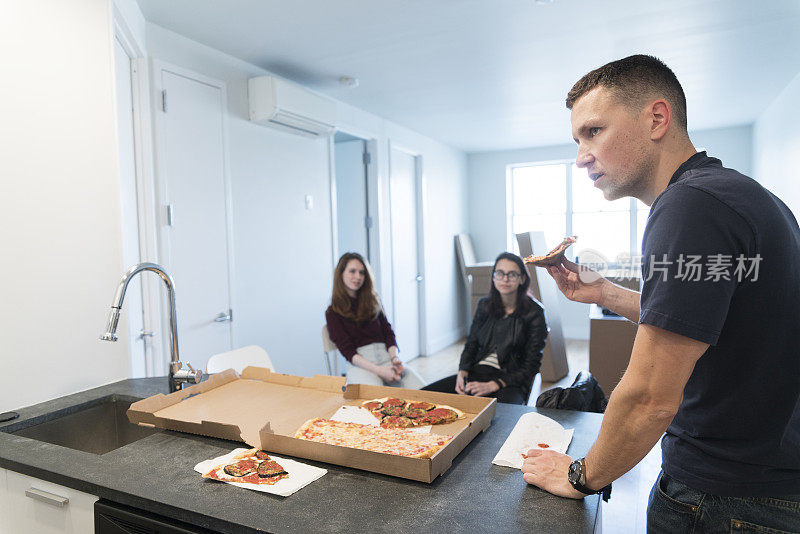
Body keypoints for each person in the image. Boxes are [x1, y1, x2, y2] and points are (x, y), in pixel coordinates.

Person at [521, 54, 800, 532]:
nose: (581, 155)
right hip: (768, 482)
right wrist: (603, 292)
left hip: (722, 499)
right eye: (577, 139)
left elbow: (650, 396)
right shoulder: (740, 196)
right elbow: (712, 321)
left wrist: (580, 476)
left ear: (656, 118)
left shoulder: (688, 206)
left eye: (594, 132)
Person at [422, 252, 547, 405]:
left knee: (503, 419)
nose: (505, 279)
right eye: (500, 273)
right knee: (420, 397)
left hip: (510, 380)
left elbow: (531, 365)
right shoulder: (484, 305)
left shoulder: (535, 312)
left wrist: (494, 384)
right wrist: (462, 371)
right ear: (493, 277)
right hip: (477, 373)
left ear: (522, 279)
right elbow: (471, 343)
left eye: (512, 274)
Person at [325, 252, 424, 389]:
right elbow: (348, 352)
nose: (358, 277)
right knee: (379, 400)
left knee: (424, 392)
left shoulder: (374, 302)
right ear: (341, 274)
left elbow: (388, 333)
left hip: (387, 359)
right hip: (361, 365)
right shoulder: (333, 312)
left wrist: (395, 360)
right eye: (352, 271)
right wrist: (380, 371)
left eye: (362, 273)